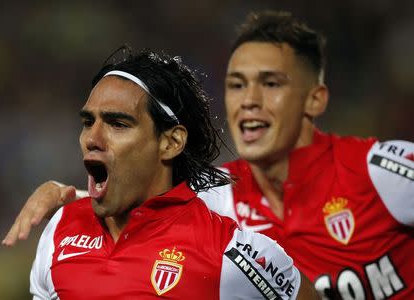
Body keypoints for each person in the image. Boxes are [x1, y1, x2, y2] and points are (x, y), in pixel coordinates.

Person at [3, 11, 414, 299]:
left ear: (315, 98)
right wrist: (65, 194)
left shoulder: (383, 173)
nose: (249, 101)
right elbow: (152, 194)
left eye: (270, 83)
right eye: (236, 85)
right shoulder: (223, 191)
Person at [24, 47, 318, 299]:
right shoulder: (61, 228)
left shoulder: (227, 252)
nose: (92, 138)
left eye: (118, 124)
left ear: (171, 142)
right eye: (89, 122)